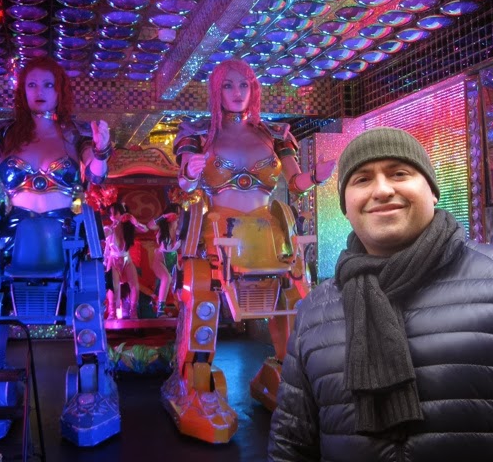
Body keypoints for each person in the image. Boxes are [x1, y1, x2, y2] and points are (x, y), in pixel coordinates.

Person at [268, 127, 493, 461]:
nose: (382, 190)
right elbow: (291, 446)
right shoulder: (315, 311)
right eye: (362, 179)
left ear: (432, 191)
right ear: (345, 207)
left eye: (399, 173)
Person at [161, 58, 336, 443]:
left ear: (254, 88)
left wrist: (316, 175)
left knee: (291, 299)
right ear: (216, 90)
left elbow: (296, 182)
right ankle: (196, 379)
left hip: (269, 233)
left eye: (244, 84)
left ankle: (290, 372)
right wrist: (190, 171)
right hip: (216, 235)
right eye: (228, 85)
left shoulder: (274, 134)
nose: (237, 92)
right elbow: (185, 186)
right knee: (203, 299)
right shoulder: (198, 135)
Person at [0, 56, 111, 251]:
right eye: (32, 85)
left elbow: (96, 175)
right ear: (23, 91)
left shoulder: (76, 132)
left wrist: (100, 151)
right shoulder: (4, 131)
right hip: (13, 236)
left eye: (48, 85)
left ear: (59, 91)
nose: (40, 91)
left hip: (65, 237)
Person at [103, 202, 148, 319]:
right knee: (114, 287)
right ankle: (112, 312)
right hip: (113, 260)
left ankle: (133, 311)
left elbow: (145, 229)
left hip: (126, 259)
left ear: (122, 213)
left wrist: (135, 222)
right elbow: (103, 235)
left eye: (115, 213)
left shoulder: (128, 228)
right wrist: (114, 225)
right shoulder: (109, 228)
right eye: (110, 214)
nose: (113, 216)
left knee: (135, 286)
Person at [149, 203, 181, 318]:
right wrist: (164, 216)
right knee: (166, 278)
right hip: (160, 259)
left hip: (173, 260)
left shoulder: (180, 229)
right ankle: (160, 311)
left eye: (179, 213)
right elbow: (150, 225)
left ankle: (183, 308)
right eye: (175, 212)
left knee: (180, 282)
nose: (177, 215)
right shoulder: (162, 227)